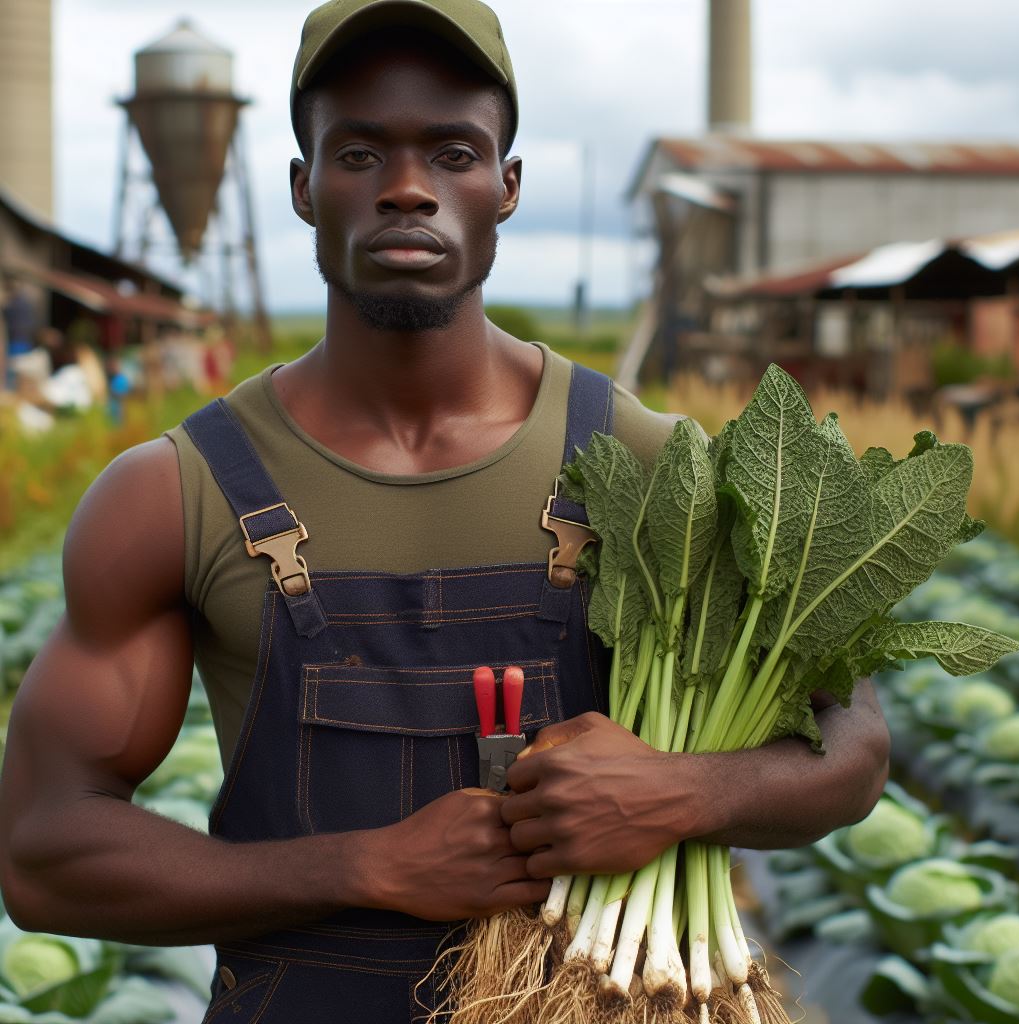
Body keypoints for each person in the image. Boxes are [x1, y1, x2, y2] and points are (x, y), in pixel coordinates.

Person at [0, 2, 890, 1021]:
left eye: (454, 151)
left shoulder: (643, 462)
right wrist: (363, 866)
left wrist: (682, 791)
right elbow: (42, 852)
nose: (408, 187)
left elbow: (851, 743)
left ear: (507, 186)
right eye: (360, 151)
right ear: (303, 187)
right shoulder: (177, 492)